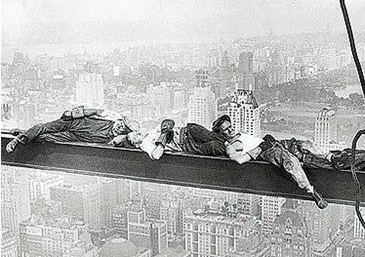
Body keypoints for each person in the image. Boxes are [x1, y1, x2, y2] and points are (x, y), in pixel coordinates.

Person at [211, 115, 329, 210]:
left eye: (230, 126)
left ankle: (330, 157)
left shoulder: (240, 134)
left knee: (305, 145)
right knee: (290, 161)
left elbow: (254, 140)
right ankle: (311, 190)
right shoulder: (231, 146)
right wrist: (260, 148)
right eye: (226, 129)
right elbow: (239, 160)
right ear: (221, 134)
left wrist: (265, 140)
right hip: (267, 151)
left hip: (274, 143)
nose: (230, 129)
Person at [5, 106, 138, 153]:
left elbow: (124, 142)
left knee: (45, 138)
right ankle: (17, 140)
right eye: (122, 123)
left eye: (124, 128)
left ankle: (23, 134)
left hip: (74, 137)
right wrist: (71, 114)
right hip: (73, 123)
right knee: (43, 127)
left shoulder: (113, 138)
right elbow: (89, 111)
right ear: (119, 121)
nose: (121, 127)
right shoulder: (107, 118)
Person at [113, 119, 226, 158]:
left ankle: (233, 142)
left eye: (136, 133)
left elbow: (169, 123)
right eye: (136, 136)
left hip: (187, 131)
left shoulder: (150, 133)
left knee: (212, 136)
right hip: (187, 144)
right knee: (214, 146)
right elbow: (156, 155)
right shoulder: (145, 144)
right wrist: (163, 136)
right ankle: (233, 148)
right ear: (136, 144)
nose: (139, 134)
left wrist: (166, 126)